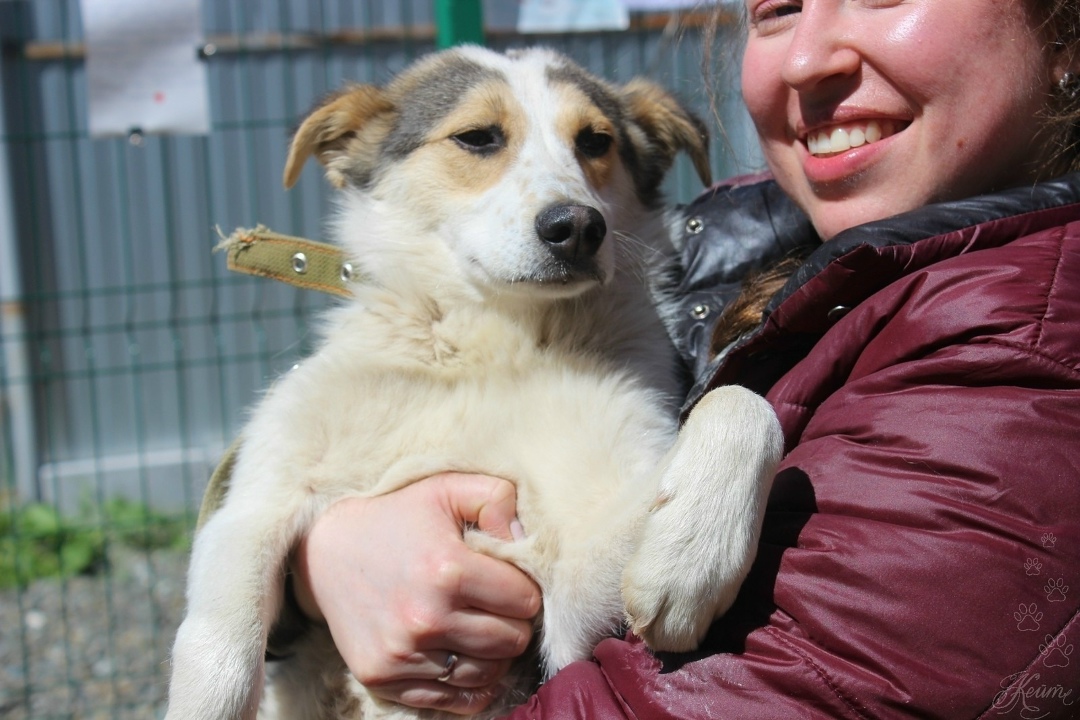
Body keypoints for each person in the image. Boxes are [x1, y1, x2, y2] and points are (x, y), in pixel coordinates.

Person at [218, 0, 1080, 716]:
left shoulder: (1022, 363)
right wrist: (317, 558)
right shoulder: (740, 238)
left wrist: (735, 428)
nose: (810, 57)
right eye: (778, 8)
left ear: (1064, 40)